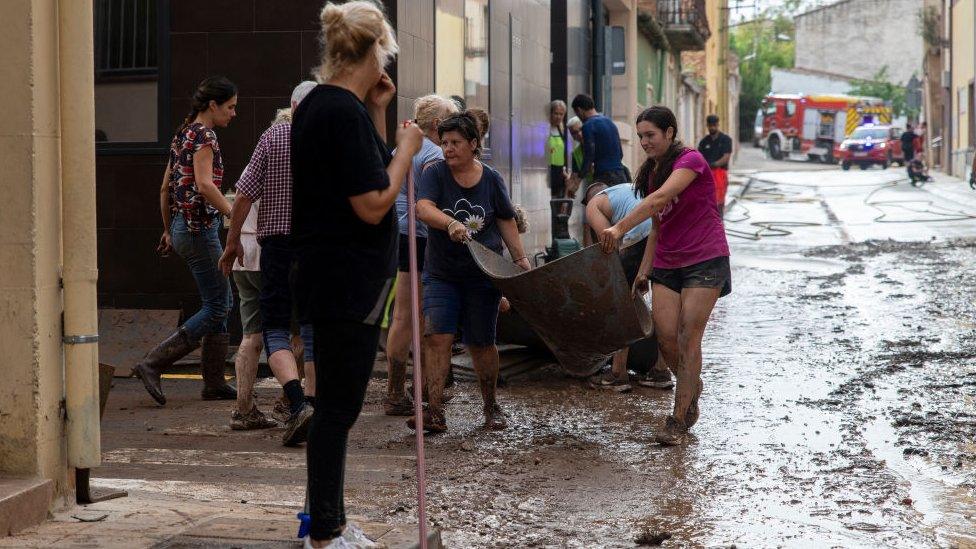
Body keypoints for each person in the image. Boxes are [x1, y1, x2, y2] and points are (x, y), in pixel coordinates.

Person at [290, 2, 423, 547]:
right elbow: (372, 202)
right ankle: (325, 531)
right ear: (376, 50)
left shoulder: (331, 107)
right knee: (338, 409)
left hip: (337, 276)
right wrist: (409, 150)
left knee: (337, 407)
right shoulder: (338, 113)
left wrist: (382, 115)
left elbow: (364, 167)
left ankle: (325, 523)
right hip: (346, 279)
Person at [599, 106, 731, 447]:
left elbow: (659, 201)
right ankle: (692, 385)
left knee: (689, 335)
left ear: (669, 132)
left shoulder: (691, 161)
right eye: (640, 136)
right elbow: (658, 226)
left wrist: (619, 227)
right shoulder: (653, 172)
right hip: (668, 263)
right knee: (666, 337)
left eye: (650, 135)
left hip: (705, 258)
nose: (643, 142)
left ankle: (678, 417)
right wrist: (643, 271)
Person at [410, 112, 531, 434]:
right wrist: (449, 223)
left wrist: (520, 260)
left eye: (456, 143)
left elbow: (505, 219)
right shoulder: (434, 172)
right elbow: (423, 208)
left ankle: (491, 406)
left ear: (474, 144)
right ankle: (433, 410)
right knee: (438, 337)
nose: (448, 148)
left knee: (481, 342)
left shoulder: (490, 179)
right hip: (441, 272)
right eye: (445, 142)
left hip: (483, 272)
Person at [219, 81, 319, 445]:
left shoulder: (274, 137)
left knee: (274, 328)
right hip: (318, 248)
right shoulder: (334, 143)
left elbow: (244, 194)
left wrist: (231, 244)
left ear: (292, 105)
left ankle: (296, 404)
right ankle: (312, 404)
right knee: (310, 329)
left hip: (278, 248)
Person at [134, 76, 238, 406]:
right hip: (199, 230)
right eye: (231, 107)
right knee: (219, 304)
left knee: (219, 300)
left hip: (182, 228)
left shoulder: (183, 133)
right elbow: (206, 185)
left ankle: (214, 382)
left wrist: (168, 230)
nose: (233, 114)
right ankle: (153, 363)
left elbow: (165, 189)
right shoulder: (205, 136)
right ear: (213, 105)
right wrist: (235, 214)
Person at [384, 94, 459, 416]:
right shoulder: (433, 155)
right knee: (428, 316)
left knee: (403, 316)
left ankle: (395, 391)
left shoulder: (401, 150)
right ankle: (425, 388)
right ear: (438, 124)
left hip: (399, 234)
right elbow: (431, 201)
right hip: (423, 238)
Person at [586, 183, 673, 392]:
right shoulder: (626, 189)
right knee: (664, 304)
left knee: (624, 303)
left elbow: (609, 244)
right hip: (666, 233)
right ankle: (661, 371)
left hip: (640, 235)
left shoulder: (593, 204)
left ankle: (617, 373)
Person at [227, 199, 277, 430]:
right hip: (270, 253)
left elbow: (239, 202)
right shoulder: (285, 165)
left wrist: (231, 242)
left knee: (250, 334)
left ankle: (243, 409)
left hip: (243, 256)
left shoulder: (251, 168)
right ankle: (291, 403)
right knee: (296, 333)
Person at [571, 94, 628, 245]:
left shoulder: (589, 125)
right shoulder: (609, 122)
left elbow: (589, 154)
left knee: (595, 214)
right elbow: (620, 153)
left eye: (577, 114)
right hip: (621, 175)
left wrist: (579, 177)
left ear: (579, 110)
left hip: (604, 177)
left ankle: (602, 251)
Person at [698, 114, 732, 216]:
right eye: (710, 125)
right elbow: (699, 158)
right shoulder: (704, 142)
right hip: (707, 174)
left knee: (719, 201)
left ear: (718, 125)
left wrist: (713, 164)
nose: (712, 127)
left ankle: (719, 222)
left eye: (714, 125)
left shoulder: (725, 139)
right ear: (707, 125)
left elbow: (726, 156)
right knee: (707, 201)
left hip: (720, 173)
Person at [547, 100, 569, 198]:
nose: (558, 117)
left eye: (561, 114)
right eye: (556, 113)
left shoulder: (562, 130)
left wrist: (564, 168)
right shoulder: (546, 128)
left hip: (559, 171)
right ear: (551, 113)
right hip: (548, 169)